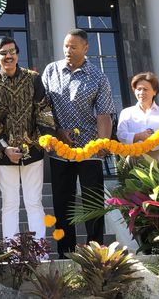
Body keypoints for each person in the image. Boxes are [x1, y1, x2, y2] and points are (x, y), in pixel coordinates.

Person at [42, 29, 115, 258]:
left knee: (93, 202)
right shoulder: (51, 71)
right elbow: (44, 108)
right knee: (63, 203)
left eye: (73, 47)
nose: (68, 51)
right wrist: (56, 131)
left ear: (85, 48)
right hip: (60, 151)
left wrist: (102, 143)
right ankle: (66, 252)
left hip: (90, 149)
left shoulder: (98, 76)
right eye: (65, 46)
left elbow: (104, 113)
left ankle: (96, 252)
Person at [0, 36, 55, 243]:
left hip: (33, 150)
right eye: (3, 53)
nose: (8, 56)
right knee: (10, 203)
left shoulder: (33, 78)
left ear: (17, 54)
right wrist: (5, 147)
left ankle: (39, 249)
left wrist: (46, 137)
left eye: (12, 51)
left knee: (34, 202)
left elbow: (43, 110)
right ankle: (13, 250)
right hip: (5, 154)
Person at [116, 72, 159, 161]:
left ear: (154, 92)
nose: (141, 92)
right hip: (134, 158)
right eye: (138, 89)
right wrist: (139, 136)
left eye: (145, 89)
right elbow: (121, 135)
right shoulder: (126, 113)